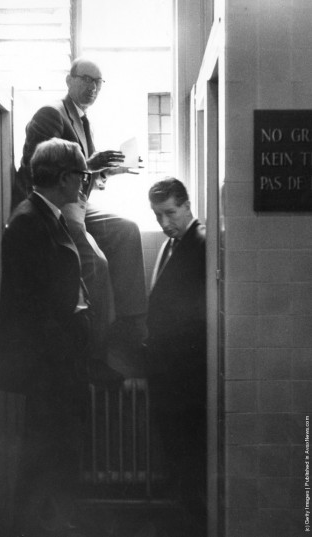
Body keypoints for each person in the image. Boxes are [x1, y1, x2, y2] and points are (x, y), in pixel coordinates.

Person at [0, 138, 121, 536]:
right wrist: (71, 347)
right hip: (50, 368)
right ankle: (36, 528)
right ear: (64, 177)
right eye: (82, 176)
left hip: (60, 363)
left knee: (58, 455)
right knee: (44, 457)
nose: (85, 184)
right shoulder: (29, 221)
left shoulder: (49, 216)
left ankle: (53, 524)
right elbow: (31, 308)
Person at [14, 57, 147, 374]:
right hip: (58, 207)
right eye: (86, 79)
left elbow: (86, 173)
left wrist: (108, 171)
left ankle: (130, 328)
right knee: (97, 264)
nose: (92, 87)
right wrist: (90, 163)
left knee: (128, 230)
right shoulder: (51, 115)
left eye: (98, 82)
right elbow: (41, 167)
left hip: (79, 203)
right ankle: (97, 353)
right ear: (68, 80)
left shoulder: (83, 122)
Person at [146, 178, 206, 535]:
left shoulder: (198, 243)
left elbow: (196, 318)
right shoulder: (177, 242)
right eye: (157, 215)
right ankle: (185, 518)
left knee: (186, 455)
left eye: (170, 212)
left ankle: (191, 524)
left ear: (186, 205)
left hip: (184, 375)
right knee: (176, 453)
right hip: (170, 370)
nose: (164, 223)